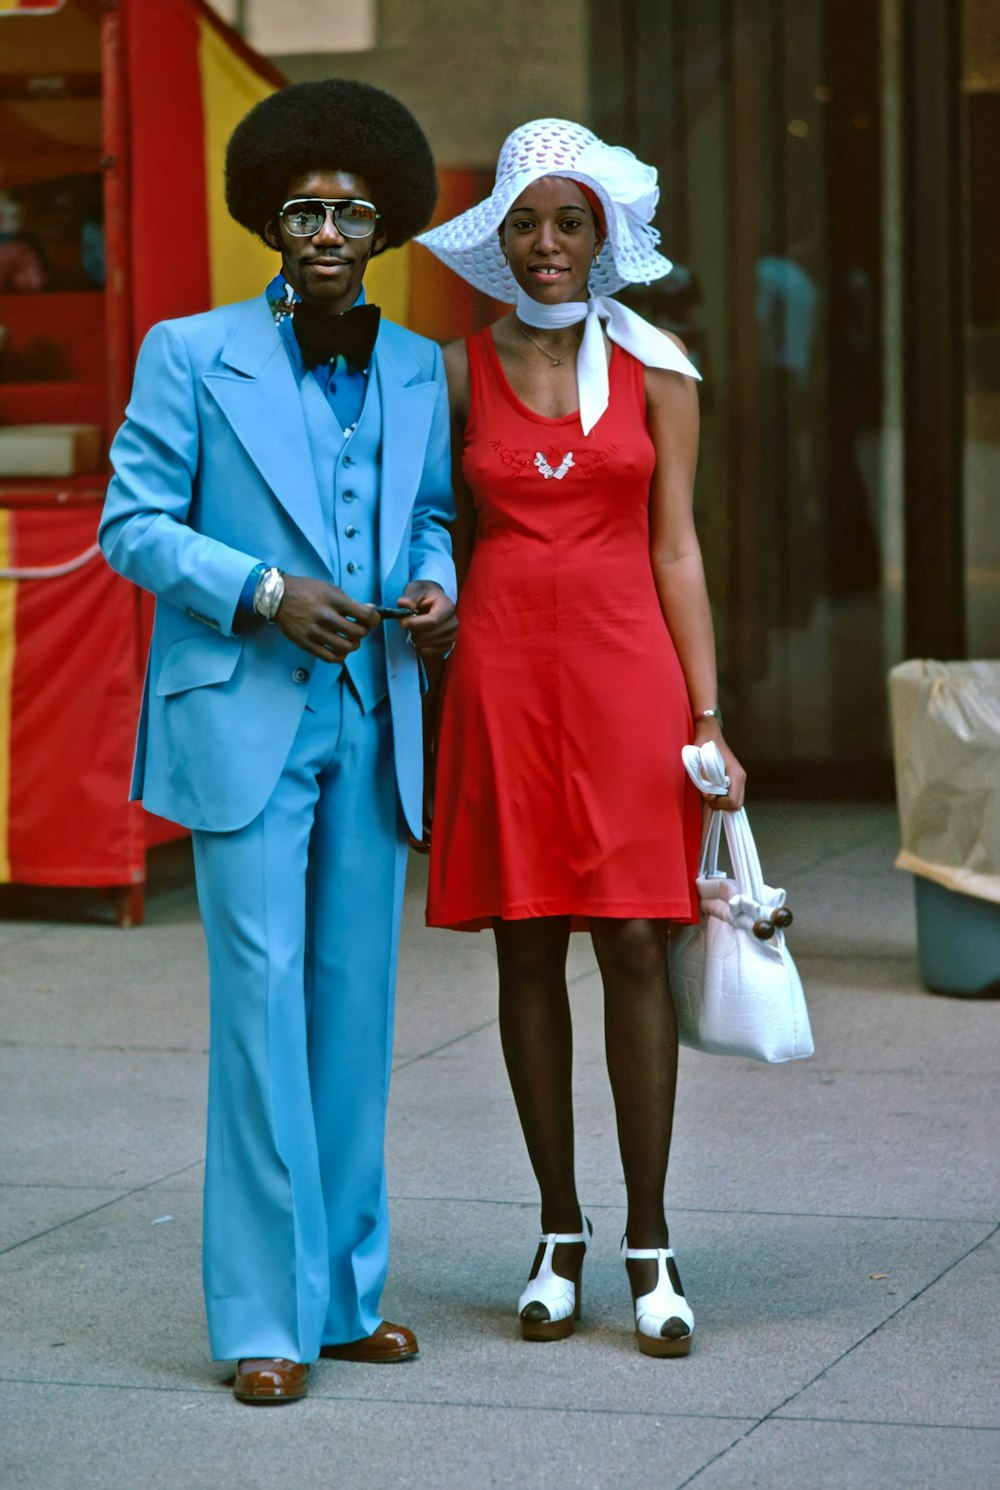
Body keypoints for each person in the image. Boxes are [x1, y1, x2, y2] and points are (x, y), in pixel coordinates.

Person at [99, 80, 456, 1404]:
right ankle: (260, 1313)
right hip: (242, 717)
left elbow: (427, 517)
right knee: (259, 1008)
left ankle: (344, 1293)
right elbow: (131, 525)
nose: (327, 229)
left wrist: (437, 587)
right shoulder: (189, 352)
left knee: (354, 1012)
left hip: (370, 723)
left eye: (353, 211)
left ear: (385, 227)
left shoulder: (417, 365)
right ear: (270, 220)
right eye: (304, 209)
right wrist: (261, 587)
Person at [417, 119, 745, 1357]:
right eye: (525, 225)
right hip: (502, 682)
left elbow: (677, 547)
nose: (546, 245)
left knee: (635, 947)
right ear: (497, 241)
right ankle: (558, 1229)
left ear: (603, 237)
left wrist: (709, 717)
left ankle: (650, 1241)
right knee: (523, 948)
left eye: (569, 223)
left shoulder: (660, 368)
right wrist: (430, 603)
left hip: (628, 683)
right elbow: (430, 531)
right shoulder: (452, 371)